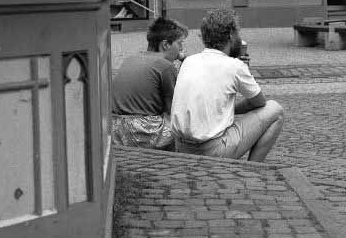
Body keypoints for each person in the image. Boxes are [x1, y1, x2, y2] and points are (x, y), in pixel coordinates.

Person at [171, 8, 284, 162]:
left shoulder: (189, 61)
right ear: (231, 35)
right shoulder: (234, 66)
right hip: (213, 150)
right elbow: (259, 102)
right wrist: (232, 109)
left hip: (181, 147)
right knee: (275, 109)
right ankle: (253, 168)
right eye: (238, 33)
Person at [112, 16, 188, 150]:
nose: (181, 50)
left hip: (115, 130)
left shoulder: (130, 59)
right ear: (166, 45)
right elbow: (174, 109)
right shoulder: (165, 66)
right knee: (186, 123)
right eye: (180, 43)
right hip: (142, 131)